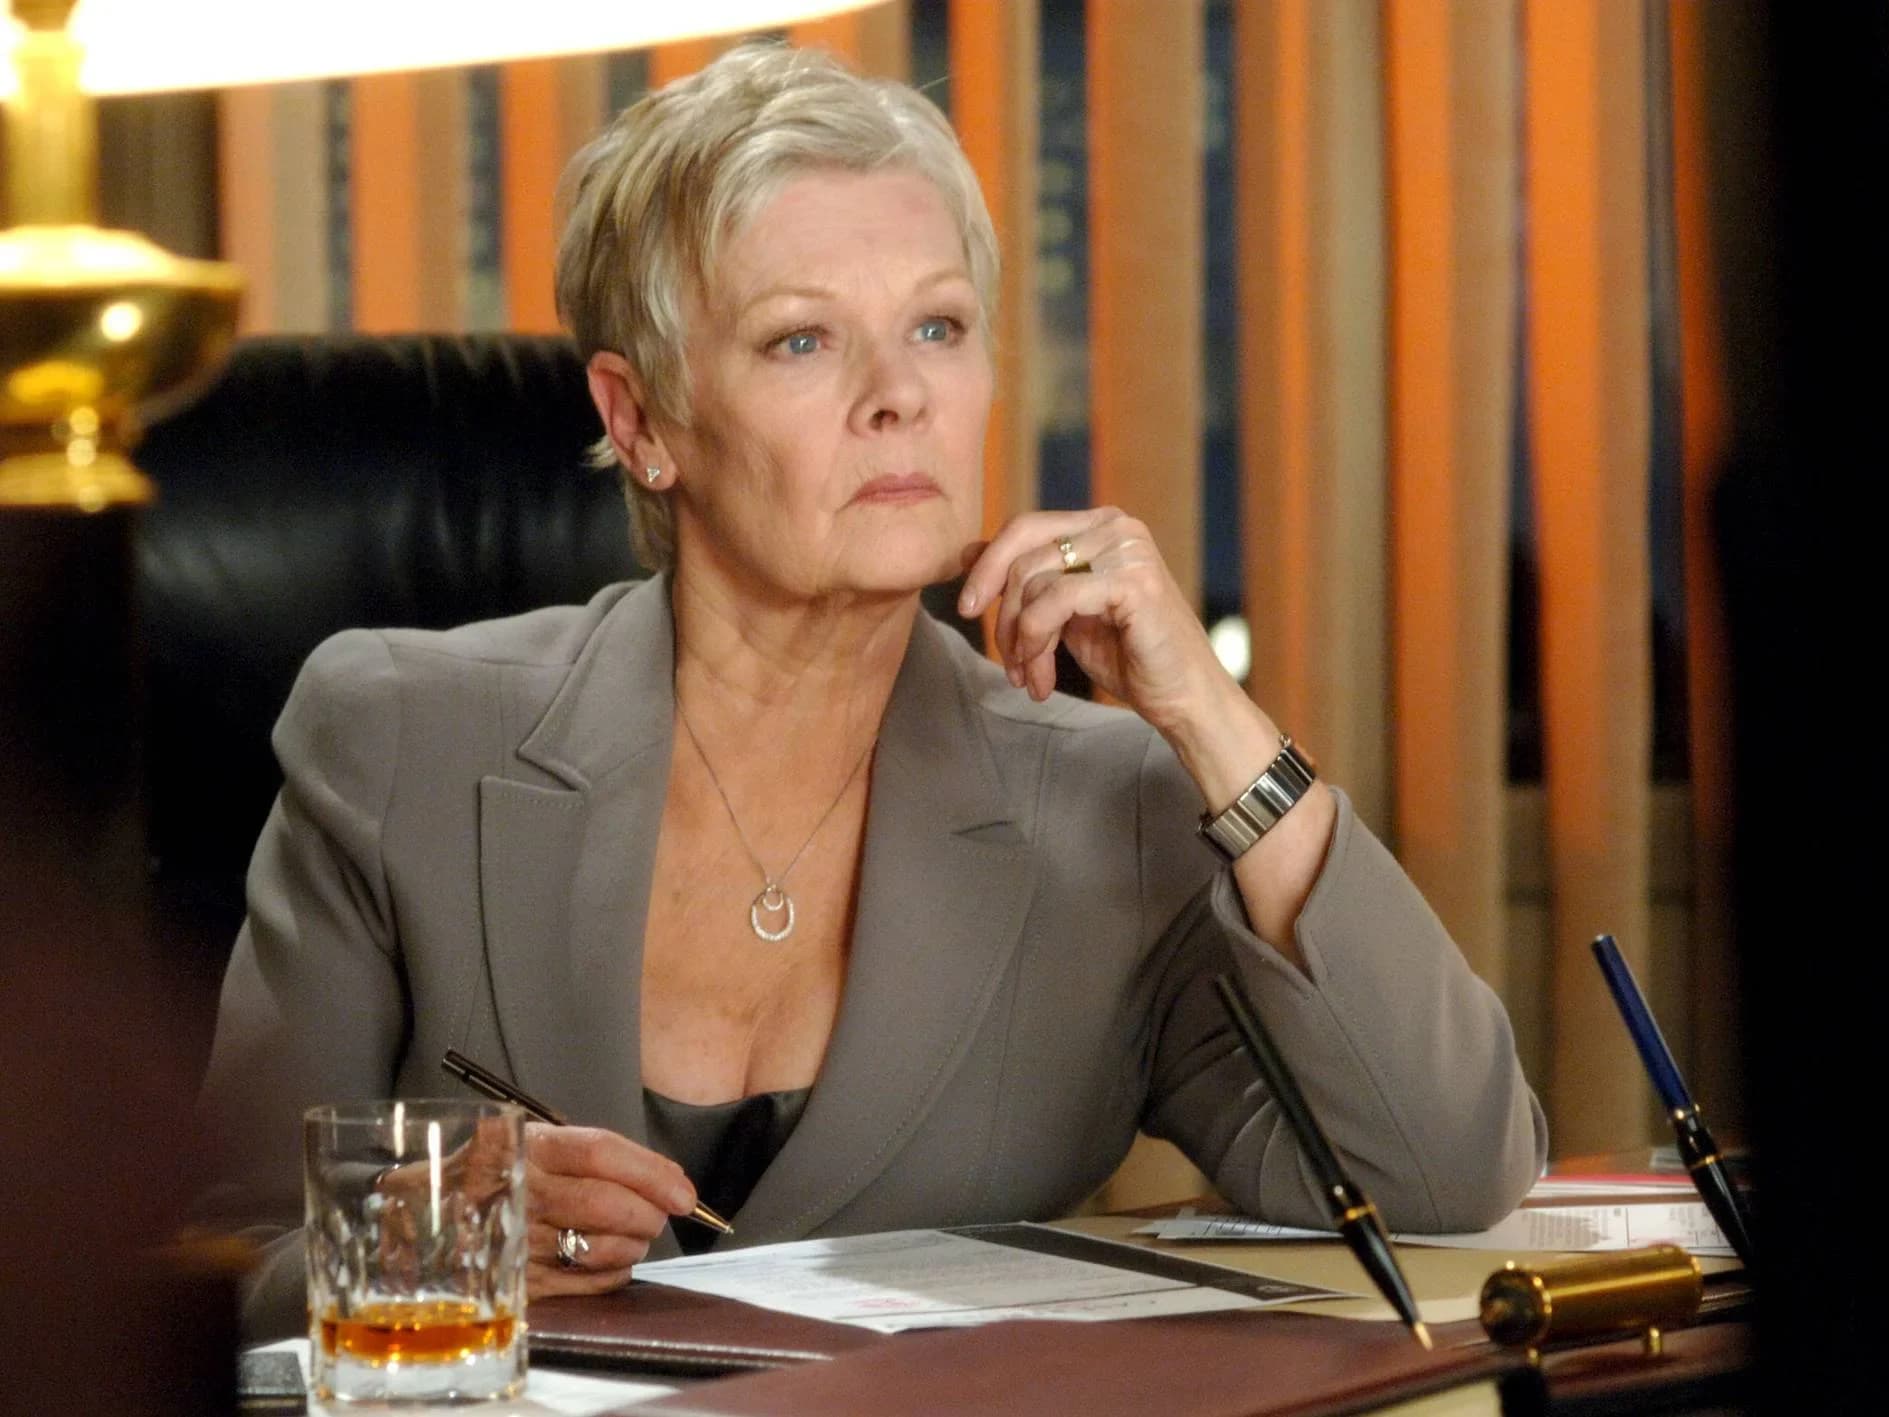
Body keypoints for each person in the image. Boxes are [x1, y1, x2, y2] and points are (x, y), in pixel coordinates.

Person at [199, 43, 1546, 1338]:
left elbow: (1441, 1168)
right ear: (640, 419)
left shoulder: (1111, 812)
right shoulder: (402, 740)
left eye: (938, 326)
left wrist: (1213, 716)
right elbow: (209, 1273)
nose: (900, 394)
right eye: (802, 341)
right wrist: (433, 1235)